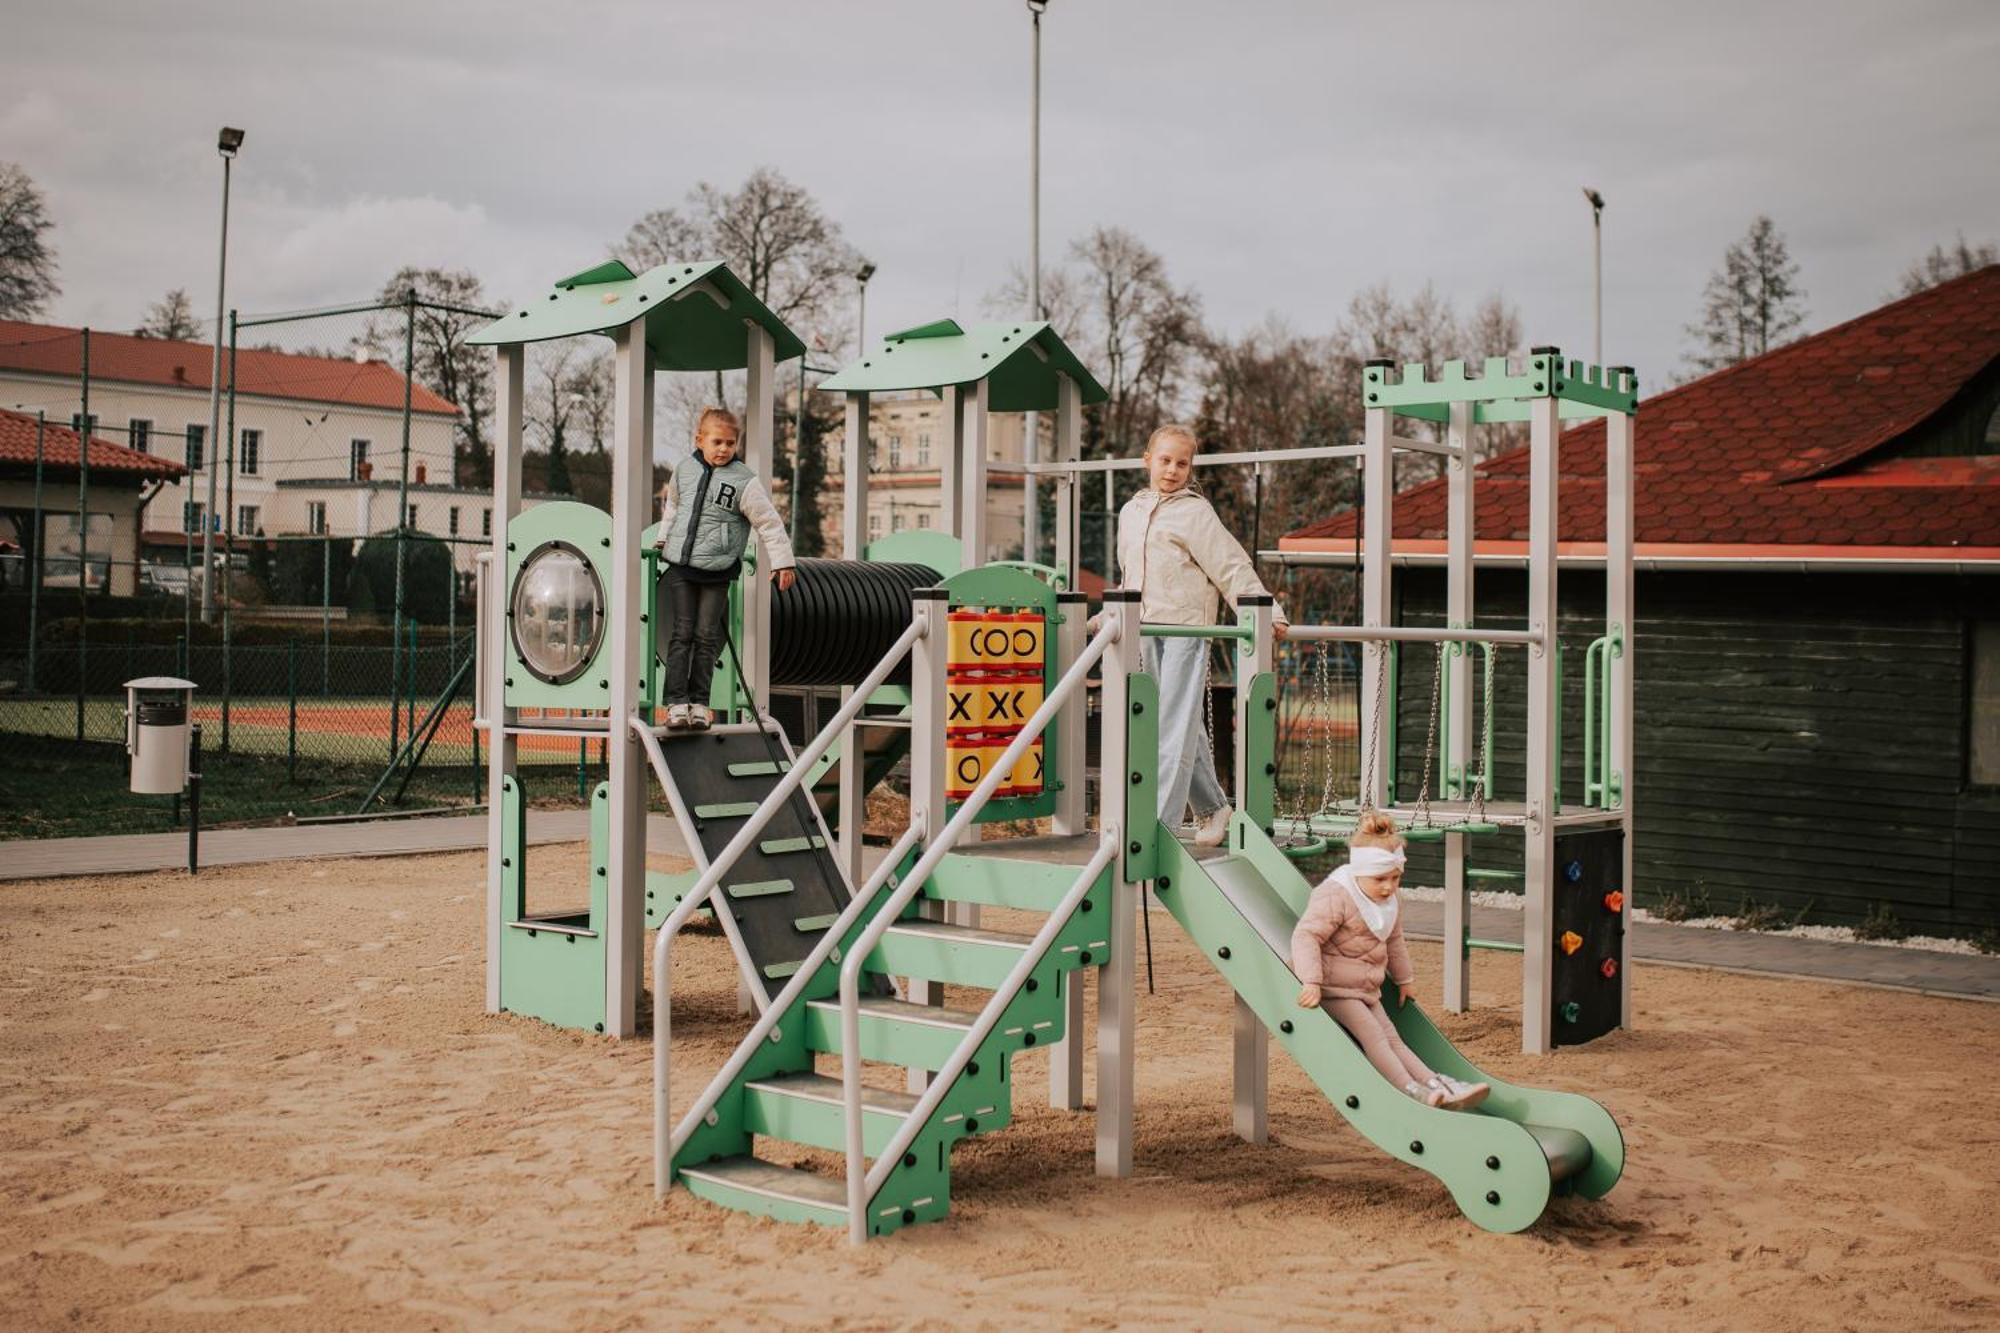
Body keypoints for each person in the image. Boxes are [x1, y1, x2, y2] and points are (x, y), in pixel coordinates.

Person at [1115, 423, 1287, 847]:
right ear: (1147, 460)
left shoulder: (1195, 512)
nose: (1172, 470)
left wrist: (1270, 612)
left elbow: (1230, 565)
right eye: (1165, 460)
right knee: (1172, 721)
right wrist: (1110, 614)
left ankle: (1159, 826)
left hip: (1187, 630)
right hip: (1146, 627)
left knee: (1171, 724)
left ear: (1191, 468)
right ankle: (1213, 806)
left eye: (1182, 463)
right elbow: (1129, 574)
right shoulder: (1130, 511)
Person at [1291, 812, 1490, 1110]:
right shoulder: (1336, 895)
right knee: (1374, 1036)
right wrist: (1312, 981)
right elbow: (1306, 936)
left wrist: (1405, 979)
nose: (1388, 886)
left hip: (1365, 986)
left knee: (1393, 1038)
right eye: (1380, 879)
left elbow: (1394, 941)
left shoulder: (1388, 901)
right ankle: (1410, 1090)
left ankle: (1438, 1085)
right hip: (1333, 986)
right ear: (1359, 872)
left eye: (1395, 878)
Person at [652, 407, 796, 730]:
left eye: (731, 443)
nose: (724, 449)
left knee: (706, 636)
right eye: (717, 442)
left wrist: (782, 560)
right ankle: (676, 703)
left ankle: (700, 703)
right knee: (681, 633)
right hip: (682, 566)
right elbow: (673, 506)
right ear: (699, 440)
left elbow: (768, 522)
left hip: (717, 570)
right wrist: (664, 539)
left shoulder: (744, 481)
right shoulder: (684, 470)